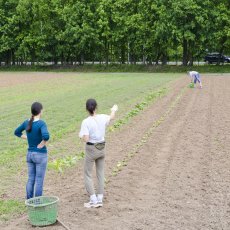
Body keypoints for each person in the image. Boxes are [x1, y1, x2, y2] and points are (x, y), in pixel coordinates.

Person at [79, 99, 118, 208]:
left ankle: (93, 200)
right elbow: (112, 117)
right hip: (102, 147)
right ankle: (100, 198)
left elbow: (86, 139)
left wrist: (81, 136)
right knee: (100, 173)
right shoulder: (102, 117)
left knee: (87, 174)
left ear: (87, 109)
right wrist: (113, 109)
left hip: (91, 149)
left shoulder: (86, 121)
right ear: (96, 107)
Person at [14, 102, 50, 199]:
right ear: (40, 111)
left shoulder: (26, 122)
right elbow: (46, 136)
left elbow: (16, 132)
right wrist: (42, 144)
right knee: (39, 179)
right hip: (40, 155)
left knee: (31, 179)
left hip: (29, 155)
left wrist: (27, 138)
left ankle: (29, 201)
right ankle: (37, 203)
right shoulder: (41, 123)